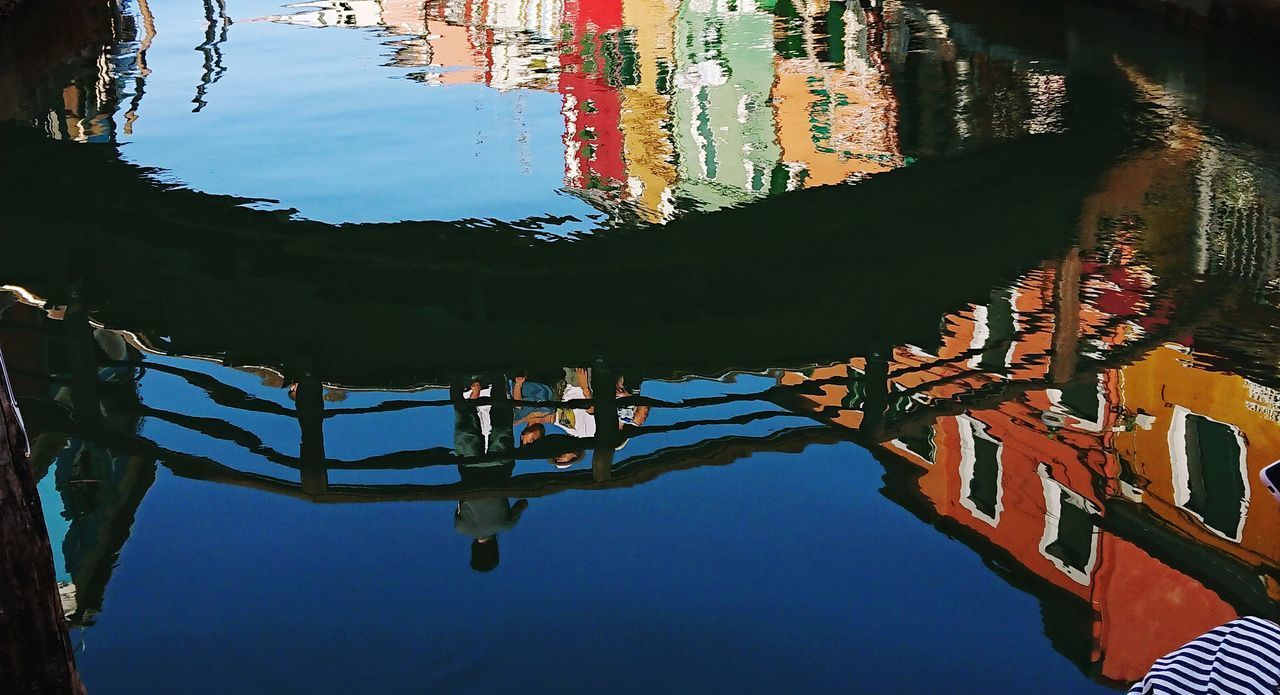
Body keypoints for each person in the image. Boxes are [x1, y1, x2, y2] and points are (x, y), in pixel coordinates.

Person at [451, 376, 526, 573]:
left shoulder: (506, 525)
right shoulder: (461, 528)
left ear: (496, 548)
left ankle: (498, 377)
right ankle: (456, 380)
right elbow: (459, 503)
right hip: (470, 470)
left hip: (500, 468)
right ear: (473, 548)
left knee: (501, 421)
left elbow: (523, 503)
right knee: (465, 423)